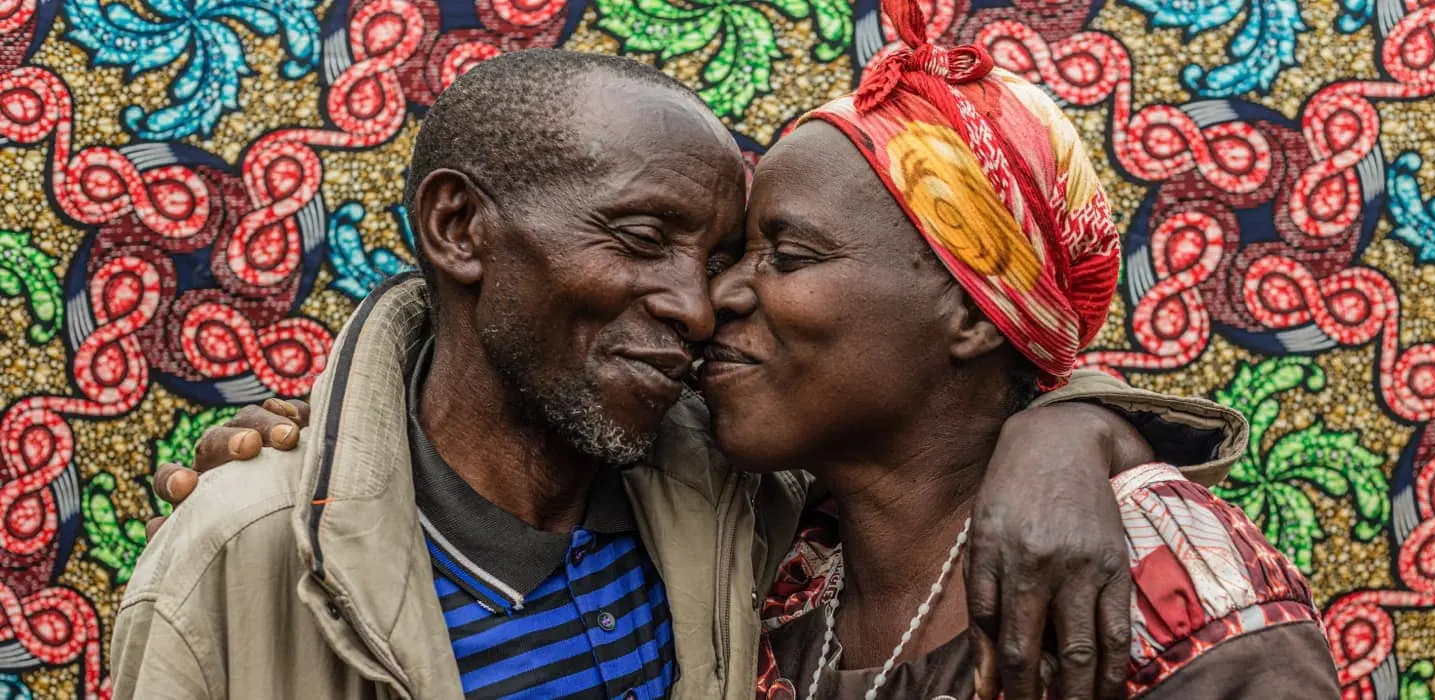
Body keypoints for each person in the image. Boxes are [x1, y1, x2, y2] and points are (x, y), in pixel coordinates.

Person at [113, 50, 1252, 700]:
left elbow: (962, 412)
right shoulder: (251, 549)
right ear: (459, 228)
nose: (706, 303)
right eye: (643, 234)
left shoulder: (738, 510)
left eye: (747, 255)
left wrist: (1069, 428)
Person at [708, 2, 1342, 697]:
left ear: (974, 314)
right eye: (735, 257)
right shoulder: (770, 556)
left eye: (790, 256)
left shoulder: (1166, 585)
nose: (719, 296)